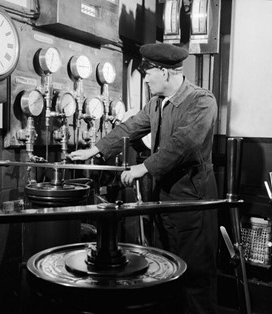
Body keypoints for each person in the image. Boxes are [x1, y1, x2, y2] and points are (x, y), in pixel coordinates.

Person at [69, 43, 218, 314]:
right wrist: (95, 149)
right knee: (164, 273)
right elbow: (130, 127)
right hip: (161, 201)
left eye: (149, 73)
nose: (145, 78)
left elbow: (184, 144)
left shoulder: (201, 101)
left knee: (194, 280)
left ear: (165, 72)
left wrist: (143, 168)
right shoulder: (155, 104)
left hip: (191, 205)